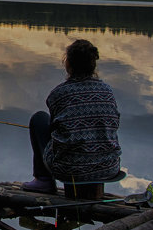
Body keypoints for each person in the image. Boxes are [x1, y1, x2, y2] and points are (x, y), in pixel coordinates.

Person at [22, 39, 121, 193]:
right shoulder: (107, 91)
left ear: (68, 64)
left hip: (69, 169)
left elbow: (56, 131)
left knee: (39, 119)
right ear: (93, 65)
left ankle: (44, 180)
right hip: (109, 167)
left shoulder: (58, 94)